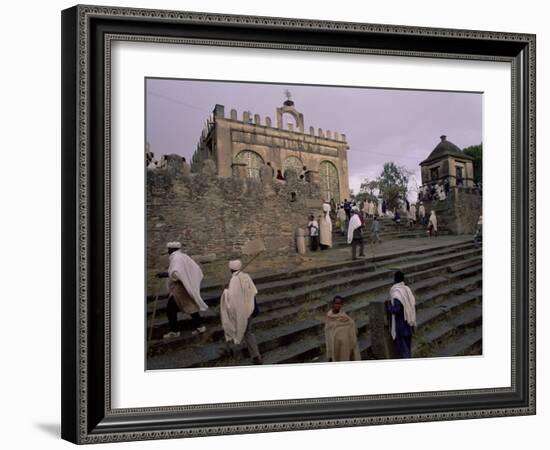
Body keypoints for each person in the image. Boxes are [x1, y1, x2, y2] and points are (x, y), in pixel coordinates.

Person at [157, 242, 208, 339]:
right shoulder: (183, 256)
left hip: (179, 288)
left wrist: (168, 275)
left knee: (170, 309)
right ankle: (200, 326)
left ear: (172, 249)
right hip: (184, 287)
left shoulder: (176, 258)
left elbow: (176, 273)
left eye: (168, 249)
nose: (168, 251)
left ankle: (174, 331)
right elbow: (194, 269)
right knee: (189, 306)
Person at [220, 260, 262, 364]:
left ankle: (232, 353)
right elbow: (253, 292)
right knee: (248, 333)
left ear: (230, 269)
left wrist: (225, 291)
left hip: (240, 312)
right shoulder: (246, 276)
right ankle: (256, 356)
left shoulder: (234, 279)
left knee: (234, 329)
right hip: (250, 309)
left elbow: (232, 299)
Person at [385, 271, 416, 358]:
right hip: (409, 325)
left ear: (395, 279)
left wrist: (389, 307)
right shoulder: (407, 289)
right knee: (408, 349)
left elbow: (396, 310)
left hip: (401, 326)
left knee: (404, 351)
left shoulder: (396, 293)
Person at [324, 296, 361, 362]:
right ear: (333, 304)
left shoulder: (343, 315)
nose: (337, 305)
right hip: (333, 339)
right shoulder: (329, 316)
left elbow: (351, 323)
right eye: (336, 303)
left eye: (339, 304)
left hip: (343, 341)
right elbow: (327, 329)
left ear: (341, 305)